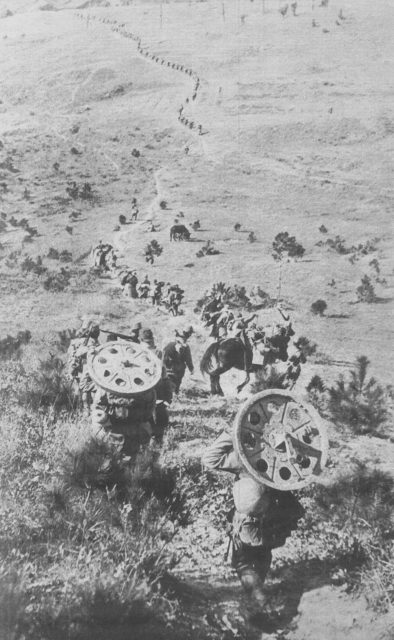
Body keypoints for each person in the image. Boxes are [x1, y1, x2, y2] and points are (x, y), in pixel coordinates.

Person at [202, 430, 304, 625]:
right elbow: (304, 471)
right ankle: (256, 599)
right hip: (274, 519)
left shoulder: (246, 459)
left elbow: (210, 459)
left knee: (243, 563)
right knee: (263, 555)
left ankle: (262, 604)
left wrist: (231, 433)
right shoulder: (285, 460)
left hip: (248, 522)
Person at [140, 328, 173, 440]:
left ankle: (153, 439)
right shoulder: (159, 352)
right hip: (154, 391)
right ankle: (156, 439)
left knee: (149, 418)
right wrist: (168, 397)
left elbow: (164, 376)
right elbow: (165, 377)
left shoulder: (138, 351)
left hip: (146, 392)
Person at [67, 319, 100, 412]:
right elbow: (76, 355)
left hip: (86, 368)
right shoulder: (88, 342)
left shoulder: (82, 342)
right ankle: (88, 409)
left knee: (84, 389)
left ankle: (86, 409)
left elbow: (75, 356)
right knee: (87, 389)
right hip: (87, 367)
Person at [162, 326, 194, 394]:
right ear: (189, 335)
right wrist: (191, 369)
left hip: (168, 369)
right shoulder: (186, 347)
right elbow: (188, 360)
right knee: (177, 384)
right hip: (179, 370)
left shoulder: (169, 344)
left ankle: (172, 395)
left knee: (169, 385)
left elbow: (163, 356)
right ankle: (176, 394)